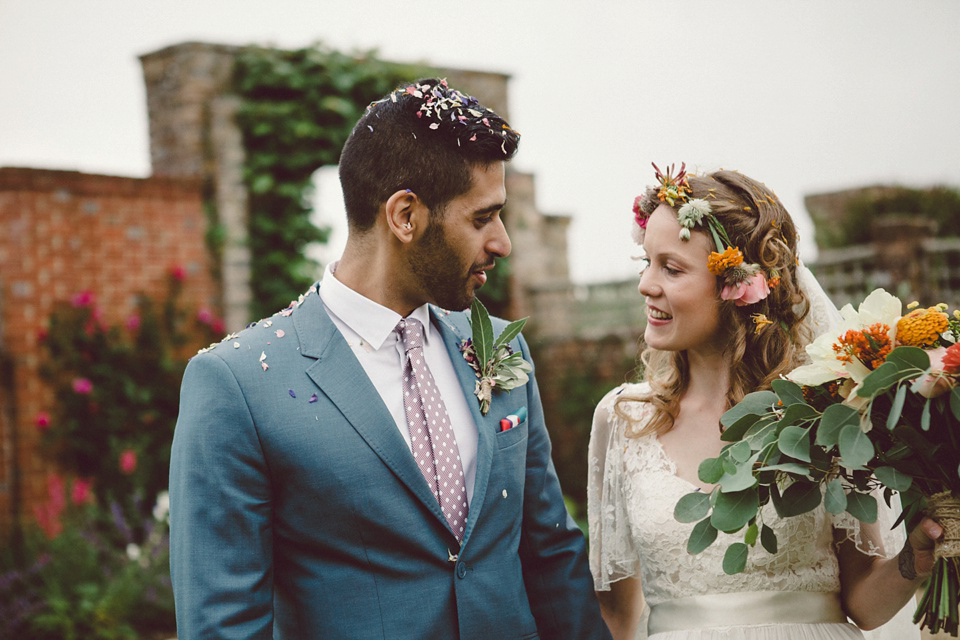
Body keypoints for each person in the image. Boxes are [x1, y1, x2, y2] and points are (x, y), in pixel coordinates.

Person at [169, 77, 609, 639]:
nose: (502, 242)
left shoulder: (501, 348)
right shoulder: (235, 384)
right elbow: (222, 626)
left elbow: (551, 555)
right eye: (481, 218)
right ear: (405, 215)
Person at [587, 164, 942, 640]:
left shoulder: (825, 410)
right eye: (645, 262)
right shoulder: (624, 418)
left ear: (738, 286)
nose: (646, 284)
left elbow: (865, 605)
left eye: (671, 268)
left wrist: (914, 558)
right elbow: (616, 617)